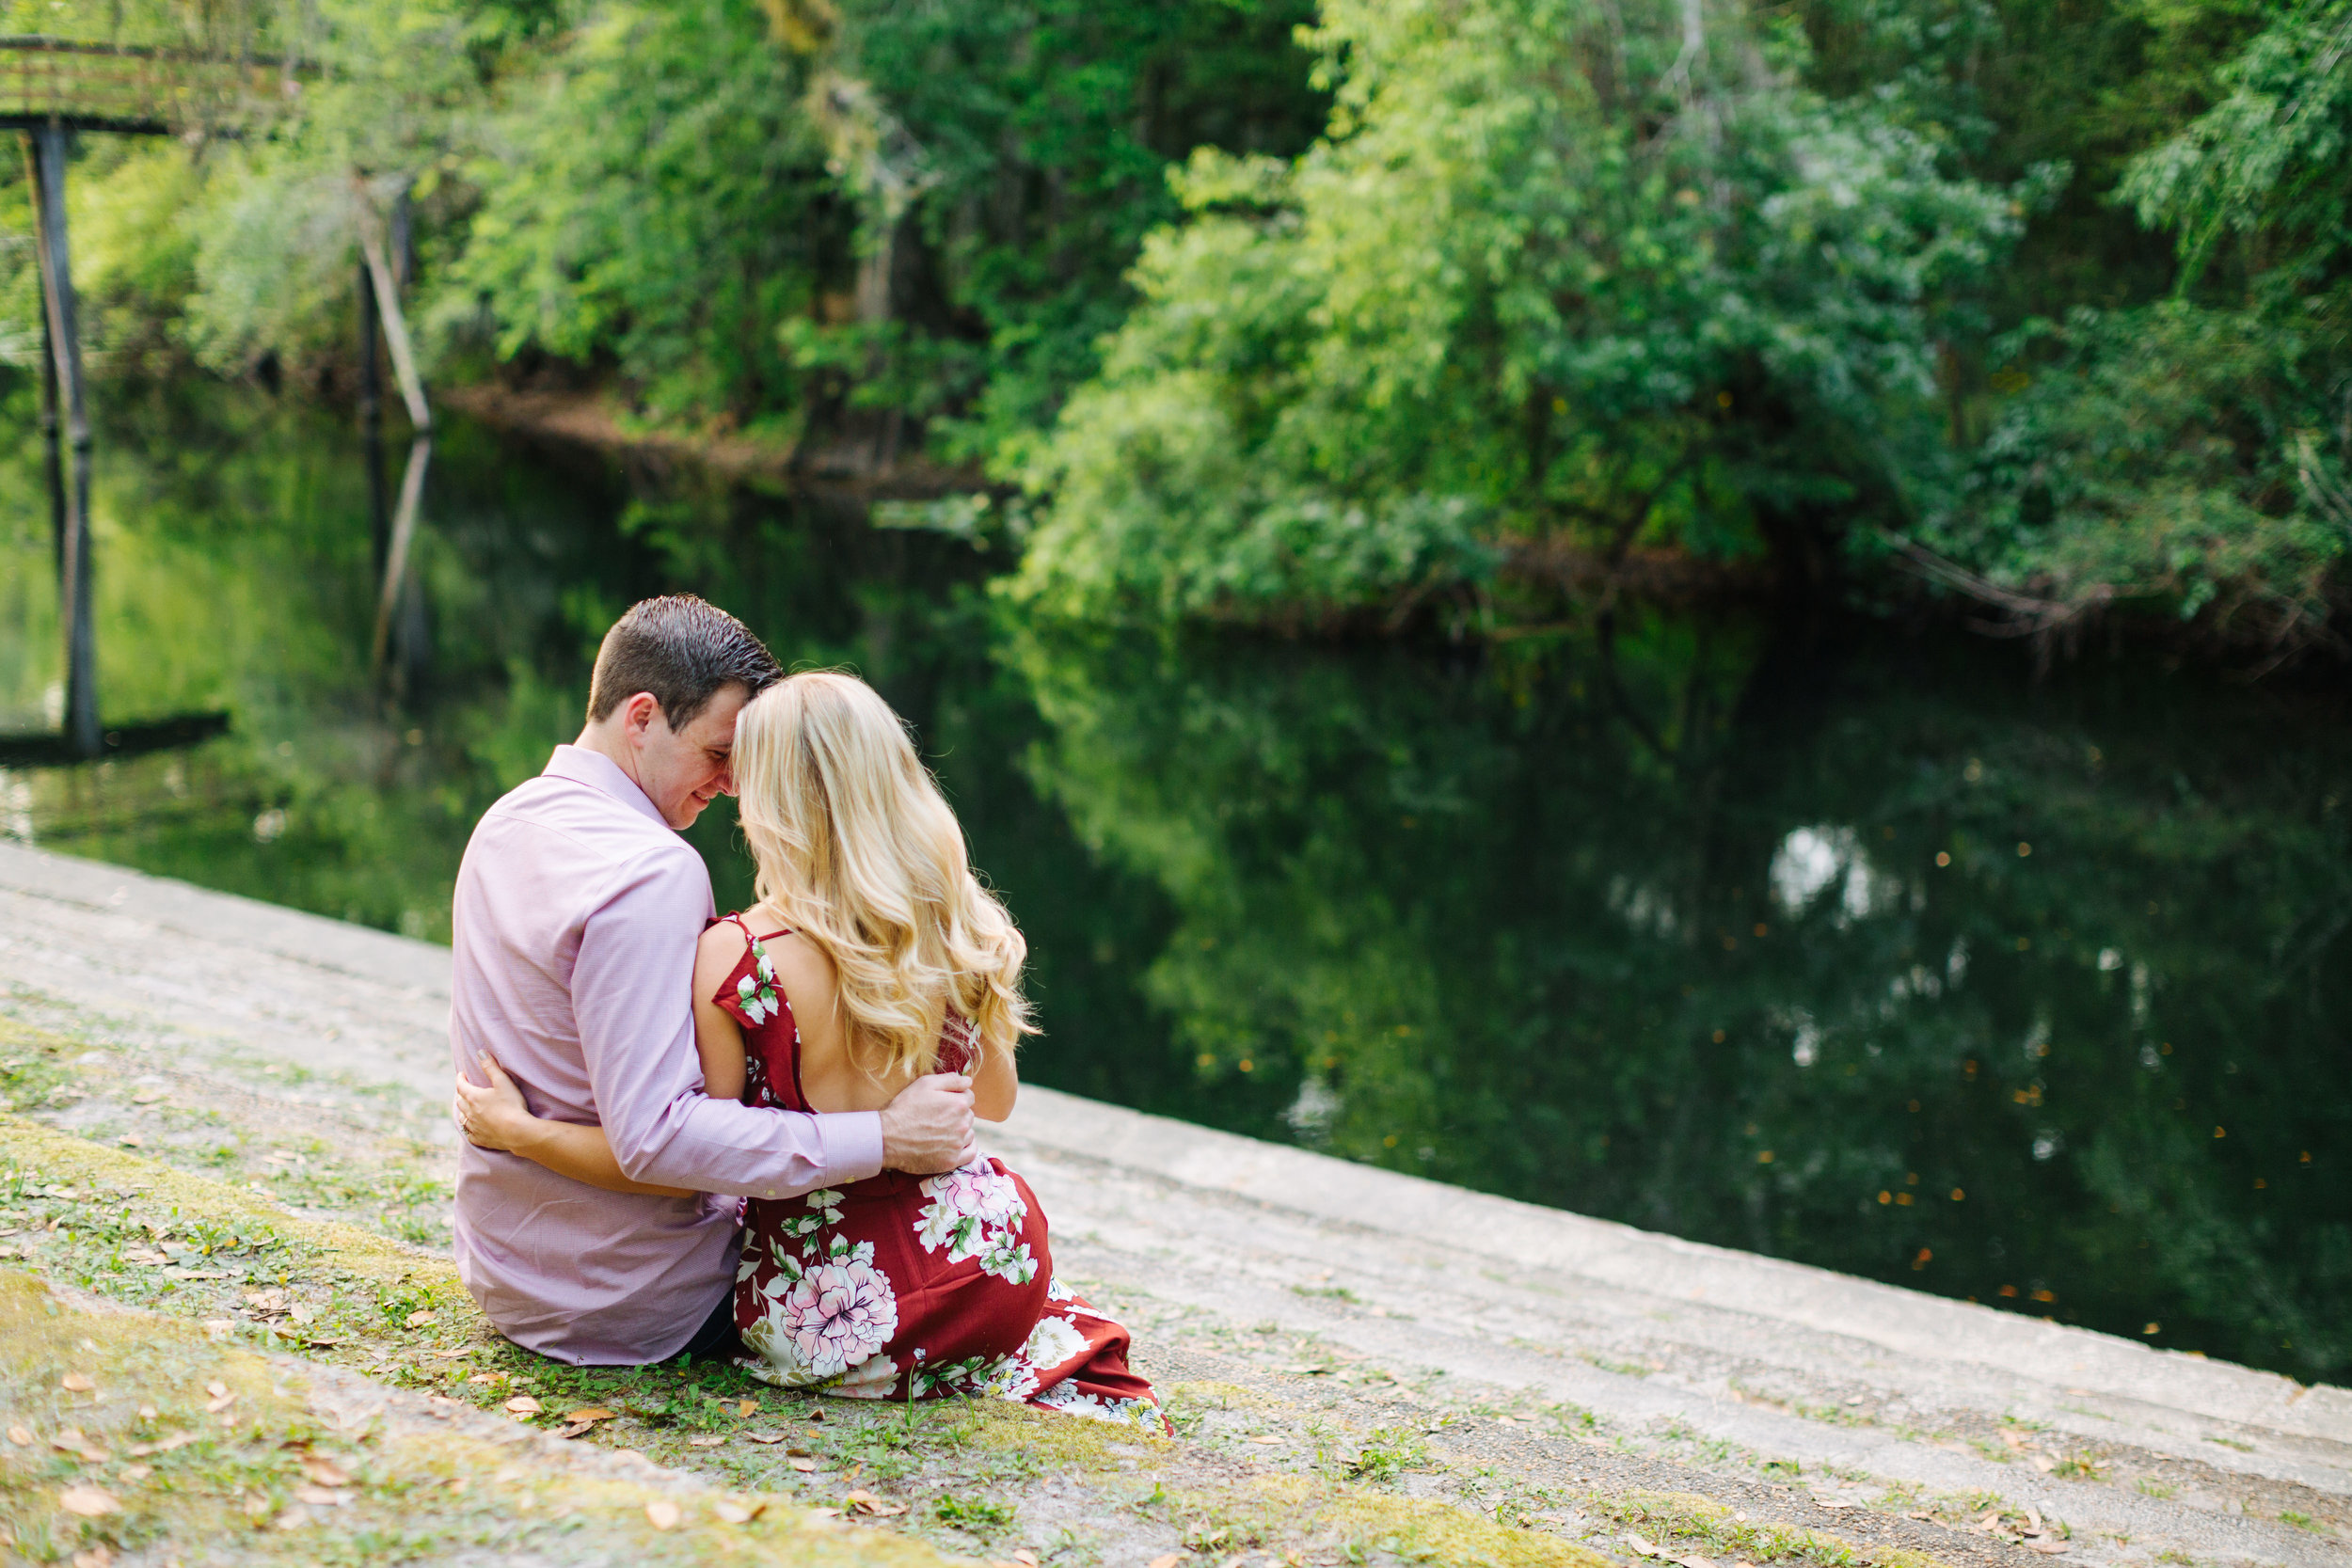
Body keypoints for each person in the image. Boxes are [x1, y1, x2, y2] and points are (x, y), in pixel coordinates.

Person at [455, 671, 1164, 1427]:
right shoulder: (950, 924)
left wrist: (524, 1132)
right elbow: (995, 1102)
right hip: (989, 1265)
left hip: (827, 1312)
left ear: (771, 800)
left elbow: (688, 1159)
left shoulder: (737, 957)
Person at [448, 597, 976, 1367]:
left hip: (507, 1274)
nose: (732, 785)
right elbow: (658, 1136)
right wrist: (887, 1137)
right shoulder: (651, 869)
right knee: (951, 1258)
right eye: (720, 753)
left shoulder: (505, 819)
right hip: (638, 1302)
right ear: (642, 717)